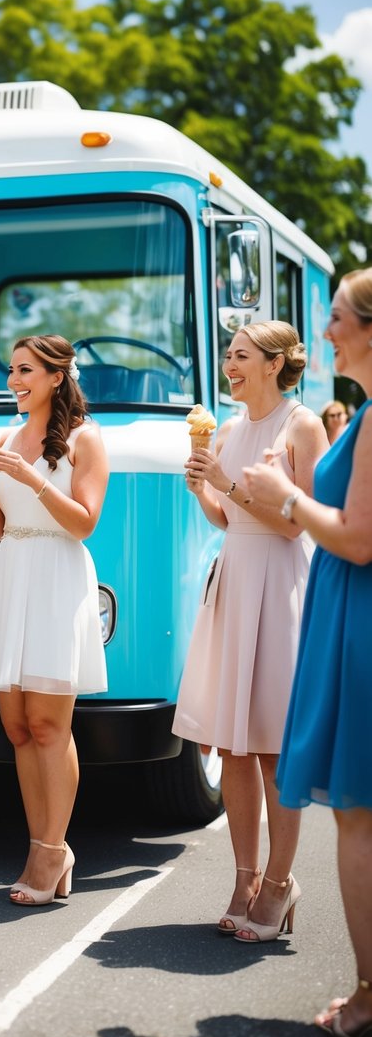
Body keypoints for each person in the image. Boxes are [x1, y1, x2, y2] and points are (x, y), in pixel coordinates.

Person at [243, 269, 372, 1037]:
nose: (322, 332)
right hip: (344, 609)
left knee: (356, 815)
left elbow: (357, 539)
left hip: (356, 614)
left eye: (334, 317)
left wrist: (283, 497)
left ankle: (365, 997)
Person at [172, 321, 328, 943]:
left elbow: (296, 524)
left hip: (281, 584)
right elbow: (228, 515)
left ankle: (281, 883)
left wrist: (226, 484)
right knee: (233, 746)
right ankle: (245, 878)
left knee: (271, 750)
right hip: (234, 579)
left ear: (271, 363)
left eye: (239, 356)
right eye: (228, 355)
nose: (228, 365)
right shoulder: (230, 429)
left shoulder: (303, 425)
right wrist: (202, 491)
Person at [0, 335, 109, 906]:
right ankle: (41, 844)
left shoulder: (85, 439)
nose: (13, 380)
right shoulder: (5, 436)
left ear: (56, 376)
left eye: (24, 371)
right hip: (13, 572)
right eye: (10, 370)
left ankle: (53, 848)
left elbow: (84, 523)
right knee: (19, 727)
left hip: (56, 577)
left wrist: (31, 478)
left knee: (52, 727)